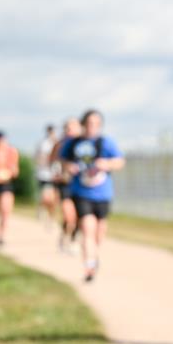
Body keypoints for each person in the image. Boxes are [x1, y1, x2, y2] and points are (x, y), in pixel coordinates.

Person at [59, 110, 124, 282]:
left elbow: (120, 161)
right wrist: (69, 167)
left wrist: (107, 164)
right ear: (83, 124)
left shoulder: (106, 143)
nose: (92, 127)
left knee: (99, 233)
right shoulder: (73, 143)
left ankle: (93, 255)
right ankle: (89, 266)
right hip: (81, 193)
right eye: (89, 123)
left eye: (96, 124)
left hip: (103, 194)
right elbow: (62, 160)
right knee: (88, 228)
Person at [52, 117, 83, 253]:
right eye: (67, 127)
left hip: (81, 185)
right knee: (68, 215)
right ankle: (66, 235)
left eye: (73, 127)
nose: (70, 130)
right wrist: (57, 173)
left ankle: (73, 237)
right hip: (65, 184)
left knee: (79, 216)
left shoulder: (85, 144)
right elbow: (53, 162)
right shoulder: (60, 145)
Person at [35, 125, 59, 225]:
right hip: (44, 174)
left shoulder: (58, 143)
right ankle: (41, 207)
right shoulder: (43, 143)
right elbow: (37, 157)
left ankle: (51, 218)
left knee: (53, 199)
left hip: (55, 174)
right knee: (46, 197)